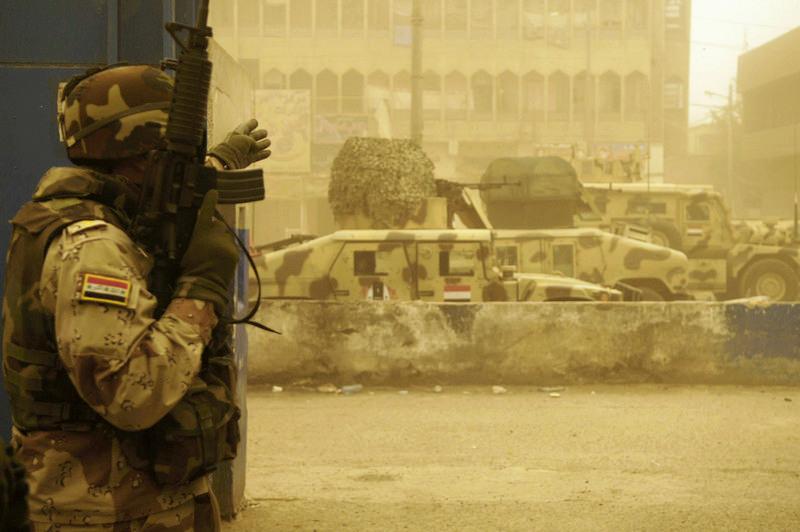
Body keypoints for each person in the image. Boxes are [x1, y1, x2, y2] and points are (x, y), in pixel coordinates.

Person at [1, 64, 270, 531]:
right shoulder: (93, 247)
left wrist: (221, 163)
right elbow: (131, 396)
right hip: (98, 512)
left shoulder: (95, 218)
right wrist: (200, 291)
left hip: (129, 505)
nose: (189, 165)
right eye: (175, 154)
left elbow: (168, 191)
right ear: (142, 155)